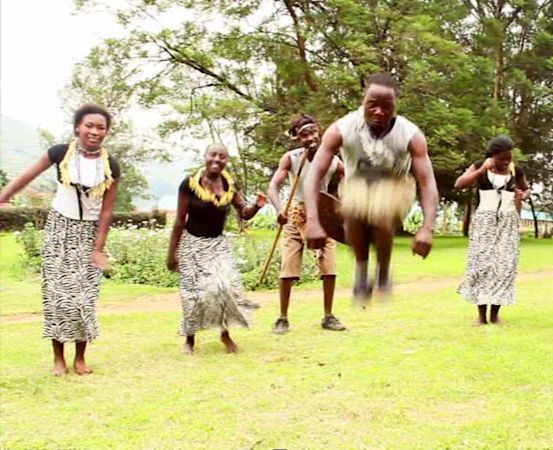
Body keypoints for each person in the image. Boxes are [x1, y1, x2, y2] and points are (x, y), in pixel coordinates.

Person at [0, 104, 120, 376]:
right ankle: (58, 358)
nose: (95, 131)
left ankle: (80, 357)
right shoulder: (59, 153)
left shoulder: (110, 165)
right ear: (78, 127)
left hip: (89, 234)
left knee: (84, 298)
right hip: (59, 230)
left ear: (106, 133)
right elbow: (26, 176)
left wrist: (99, 248)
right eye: (89, 125)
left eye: (101, 127)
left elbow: (107, 210)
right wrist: (3, 195)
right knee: (57, 296)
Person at [301, 73, 439, 300]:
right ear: (363, 101)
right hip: (356, 187)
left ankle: (383, 269)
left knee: (380, 210)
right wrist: (313, 222)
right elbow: (314, 174)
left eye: (387, 106)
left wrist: (428, 227)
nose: (379, 111)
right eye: (372, 104)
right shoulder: (341, 129)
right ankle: (362, 268)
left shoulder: (411, 135)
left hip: (396, 188)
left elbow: (426, 181)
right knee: (355, 210)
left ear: (396, 106)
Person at [167, 144, 266, 354]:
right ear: (205, 157)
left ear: (226, 161)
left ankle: (225, 334)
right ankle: (190, 339)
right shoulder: (189, 184)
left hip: (217, 244)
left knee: (224, 289)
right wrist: (172, 253)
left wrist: (257, 205)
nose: (217, 160)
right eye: (213, 155)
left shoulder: (229, 184)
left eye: (222, 157)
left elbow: (244, 213)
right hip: (192, 243)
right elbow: (179, 220)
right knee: (192, 295)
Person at [267, 113, 347, 334]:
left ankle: (328, 316)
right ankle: (282, 318)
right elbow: (273, 186)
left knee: (329, 269)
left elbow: (346, 178)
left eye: (313, 132)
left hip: (323, 217)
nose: (310, 137)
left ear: (319, 131)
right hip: (295, 215)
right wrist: (278, 209)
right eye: (304, 134)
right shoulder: (291, 158)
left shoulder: (332, 160)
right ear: (297, 138)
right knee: (288, 270)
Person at [454, 135, 530, 324]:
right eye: (502, 157)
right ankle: (481, 316)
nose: (506, 161)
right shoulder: (480, 166)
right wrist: (481, 170)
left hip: (507, 223)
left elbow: (526, 189)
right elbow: (460, 184)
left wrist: (523, 195)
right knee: (481, 265)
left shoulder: (516, 171)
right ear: (493, 155)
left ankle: (495, 315)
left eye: (509, 157)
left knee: (504, 267)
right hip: (484, 223)